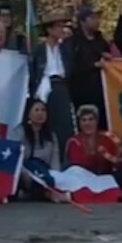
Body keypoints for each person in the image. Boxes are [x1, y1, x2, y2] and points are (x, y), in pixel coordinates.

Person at [30, 9, 76, 158]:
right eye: (58, 27)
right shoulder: (39, 50)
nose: (61, 30)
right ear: (49, 30)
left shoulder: (65, 48)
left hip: (61, 87)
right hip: (45, 88)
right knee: (47, 124)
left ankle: (65, 157)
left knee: (64, 125)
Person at [68, 9, 111, 128]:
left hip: (101, 93)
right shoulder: (73, 42)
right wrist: (93, 65)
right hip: (81, 92)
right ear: (82, 22)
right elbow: (71, 66)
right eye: (92, 18)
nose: (97, 21)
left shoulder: (100, 40)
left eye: (97, 18)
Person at [9, 100, 60, 197]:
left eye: (43, 110)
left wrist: (56, 177)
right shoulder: (19, 132)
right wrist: (24, 174)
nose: (40, 113)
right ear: (28, 113)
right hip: (24, 171)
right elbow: (15, 157)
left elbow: (55, 161)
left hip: (44, 171)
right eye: (36, 110)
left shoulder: (51, 136)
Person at [64, 105, 122, 174]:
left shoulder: (110, 137)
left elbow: (120, 161)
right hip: (83, 180)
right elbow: (76, 168)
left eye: (91, 119)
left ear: (96, 121)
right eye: (84, 120)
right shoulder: (74, 141)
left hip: (107, 178)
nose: (87, 123)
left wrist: (108, 156)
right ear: (79, 123)